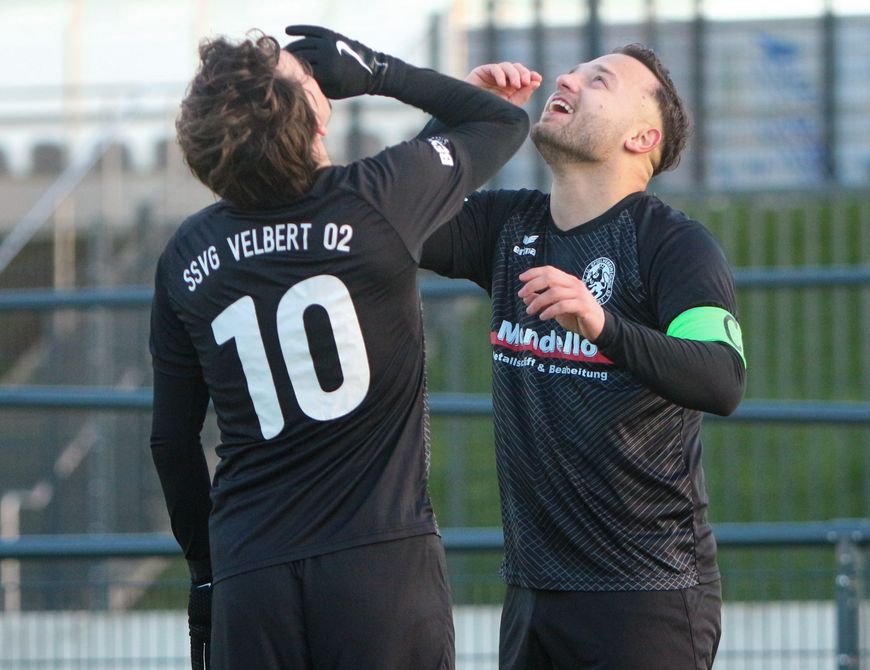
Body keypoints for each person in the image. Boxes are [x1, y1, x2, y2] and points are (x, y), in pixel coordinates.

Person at [148, 25, 530, 670]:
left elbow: (171, 441)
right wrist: (377, 70)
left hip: (251, 571)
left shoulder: (186, 253)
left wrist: (207, 571)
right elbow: (499, 122)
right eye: (306, 78)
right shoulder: (374, 200)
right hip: (378, 564)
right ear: (313, 120)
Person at [420, 46, 747, 670]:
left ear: (642, 137)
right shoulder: (509, 224)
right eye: (574, 71)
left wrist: (602, 325)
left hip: (645, 597)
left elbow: (720, 376)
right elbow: (396, 220)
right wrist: (455, 116)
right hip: (531, 594)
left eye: (601, 80)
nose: (568, 77)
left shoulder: (674, 244)